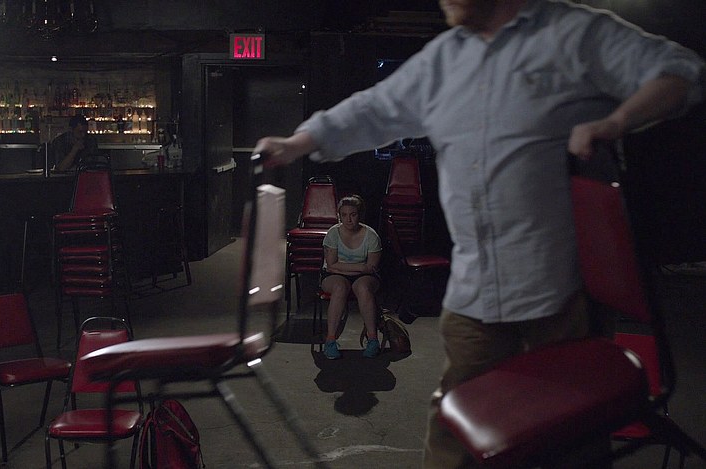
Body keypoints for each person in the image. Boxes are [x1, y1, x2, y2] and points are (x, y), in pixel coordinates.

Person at [254, 0, 705, 467]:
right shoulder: (445, 58)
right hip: (475, 298)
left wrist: (615, 122)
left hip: (560, 298)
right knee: (454, 439)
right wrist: (296, 143)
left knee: (566, 444)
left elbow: (680, 73)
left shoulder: (571, 32)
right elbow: (371, 110)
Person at [320, 195, 383, 359]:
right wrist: (360, 267)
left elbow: (371, 267)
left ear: (359, 215)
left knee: (363, 288)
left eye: (353, 214)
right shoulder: (333, 233)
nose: (348, 219)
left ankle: (372, 339)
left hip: (365, 277)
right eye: (344, 215)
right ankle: (330, 341)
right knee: (340, 287)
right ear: (339, 216)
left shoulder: (371, 236)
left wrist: (345, 267)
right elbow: (331, 265)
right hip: (335, 276)